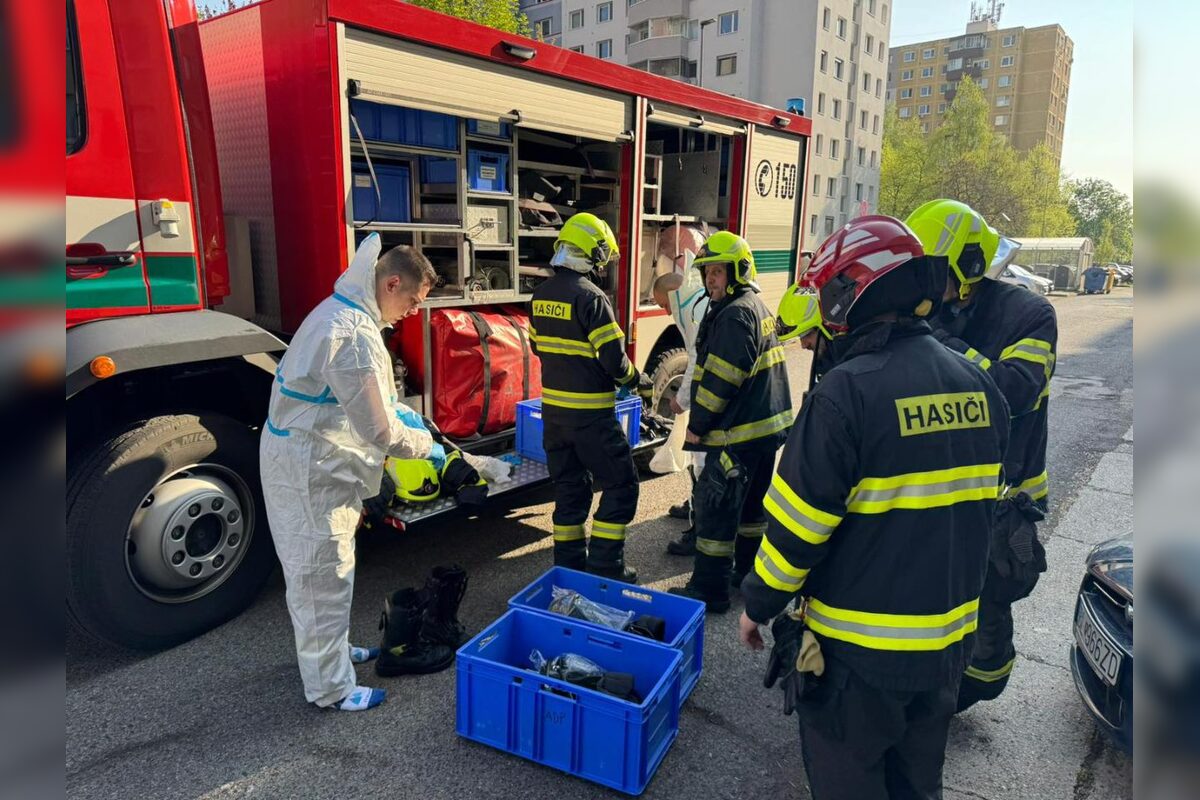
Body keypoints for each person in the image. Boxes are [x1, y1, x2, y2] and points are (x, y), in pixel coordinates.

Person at [739, 215, 1010, 800]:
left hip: (860, 658)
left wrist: (757, 604)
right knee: (917, 785)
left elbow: (798, 529)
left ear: (851, 291)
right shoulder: (980, 386)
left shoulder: (845, 394)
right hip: (945, 647)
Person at [261, 234, 445, 712]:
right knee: (322, 576)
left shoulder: (342, 312)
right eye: (413, 301)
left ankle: (333, 656)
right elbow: (380, 431)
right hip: (311, 468)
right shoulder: (355, 334)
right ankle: (331, 688)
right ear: (391, 282)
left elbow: (361, 401)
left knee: (326, 571)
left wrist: (401, 414)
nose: (413, 312)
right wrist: (424, 443)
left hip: (313, 458)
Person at [906, 199, 1056, 711]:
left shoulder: (1031, 314)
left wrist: (938, 344)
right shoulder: (940, 309)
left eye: (935, 272)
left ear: (969, 264)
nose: (928, 287)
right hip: (944, 490)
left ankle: (972, 690)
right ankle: (934, 696)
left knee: (988, 615)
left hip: (1002, 499)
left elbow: (1014, 392)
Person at [667, 231, 793, 612]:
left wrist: (698, 424)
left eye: (718, 272)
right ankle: (745, 574)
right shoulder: (752, 305)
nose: (711, 280)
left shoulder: (736, 314)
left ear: (738, 272)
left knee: (717, 510)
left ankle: (709, 589)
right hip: (761, 434)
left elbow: (721, 380)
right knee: (751, 510)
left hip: (737, 435)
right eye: (707, 273)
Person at [530, 212, 652, 582]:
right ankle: (606, 567)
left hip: (554, 418)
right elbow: (615, 361)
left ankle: (568, 569)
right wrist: (639, 380)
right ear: (591, 253)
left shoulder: (541, 295)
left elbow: (538, 347)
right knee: (620, 485)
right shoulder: (591, 297)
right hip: (592, 419)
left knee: (569, 492)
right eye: (602, 254)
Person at [649, 270, 710, 555]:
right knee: (698, 458)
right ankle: (696, 506)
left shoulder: (695, 311)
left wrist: (681, 400)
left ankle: (699, 529)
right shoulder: (695, 304)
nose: (664, 311)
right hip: (710, 395)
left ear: (674, 293)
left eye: (663, 304)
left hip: (709, 398)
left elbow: (696, 360)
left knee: (702, 460)